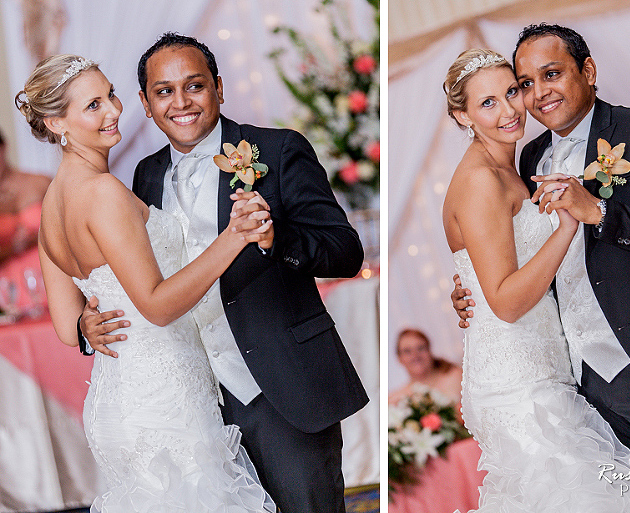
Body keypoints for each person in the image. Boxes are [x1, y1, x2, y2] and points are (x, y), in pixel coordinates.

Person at [451, 25, 630, 513]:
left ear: (587, 71)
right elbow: (511, 254)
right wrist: (470, 290)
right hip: (577, 384)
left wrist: (601, 212)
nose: (536, 93)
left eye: (551, 74)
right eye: (525, 82)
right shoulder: (528, 159)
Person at [79, 33, 369, 513]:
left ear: (218, 86)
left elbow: (345, 251)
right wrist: (84, 326)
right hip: (195, 408)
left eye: (194, 86)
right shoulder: (143, 177)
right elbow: (133, 279)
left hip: (283, 391)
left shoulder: (277, 150)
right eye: (164, 92)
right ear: (146, 105)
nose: (181, 102)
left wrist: (278, 240)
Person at [16, 54, 275, 511]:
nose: (114, 110)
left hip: (117, 397)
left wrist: (87, 327)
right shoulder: (102, 193)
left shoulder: (52, 201)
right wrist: (234, 236)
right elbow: (156, 305)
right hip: (166, 400)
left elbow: (65, 324)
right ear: (57, 124)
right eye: (93, 106)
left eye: (110, 95)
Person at [442, 47, 630, 512]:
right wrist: (569, 226)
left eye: (512, 91)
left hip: (551, 365)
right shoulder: (480, 180)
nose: (509, 110)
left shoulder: (519, 164)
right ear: (461, 114)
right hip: (518, 381)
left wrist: (466, 288)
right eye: (488, 102)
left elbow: (501, 266)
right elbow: (506, 301)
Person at [0, 131, 51, 317]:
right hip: (8, 290)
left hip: (48, 274)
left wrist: (40, 237)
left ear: (3, 147)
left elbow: (72, 228)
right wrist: (12, 247)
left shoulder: (39, 182)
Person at [389, 328, 462, 406]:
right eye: (407, 351)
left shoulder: (455, 376)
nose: (415, 355)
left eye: (420, 348)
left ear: (429, 350)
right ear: (400, 358)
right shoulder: (395, 399)